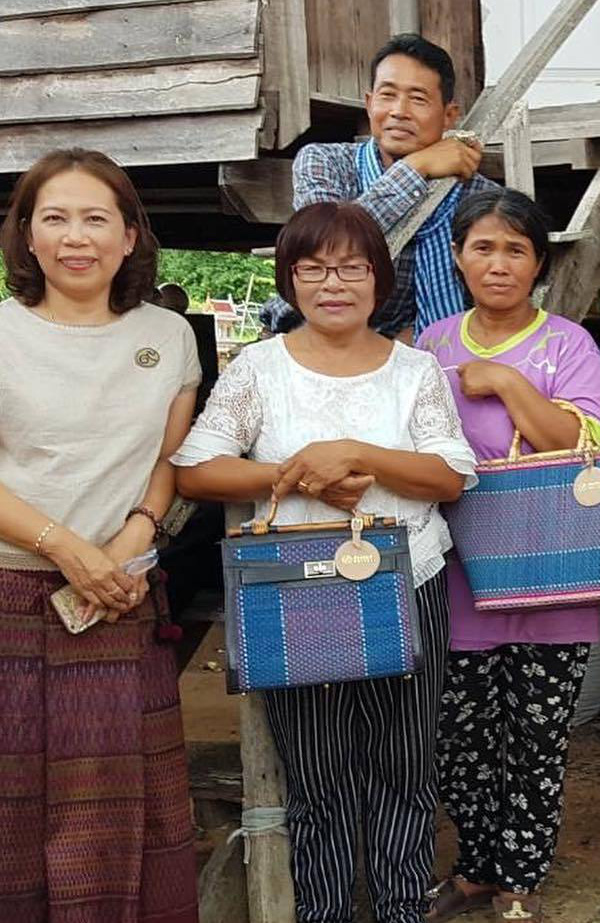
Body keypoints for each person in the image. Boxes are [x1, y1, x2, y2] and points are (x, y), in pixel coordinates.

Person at [173, 201, 478, 923]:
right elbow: (195, 468)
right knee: (317, 775)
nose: (332, 283)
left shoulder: (415, 370)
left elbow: (451, 475)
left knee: (405, 764)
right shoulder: (260, 368)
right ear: (289, 280)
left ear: (378, 279)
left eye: (351, 267)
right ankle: (326, 908)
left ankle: (401, 906)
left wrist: (358, 454)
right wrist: (300, 475)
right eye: (312, 269)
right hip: (295, 590)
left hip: (407, 581)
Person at [0, 149, 200, 922]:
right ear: (26, 235)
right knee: (12, 799)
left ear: (128, 236)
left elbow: (167, 459)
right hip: (12, 589)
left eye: (95, 218)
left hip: (119, 593)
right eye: (54, 218)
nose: (75, 237)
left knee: (122, 803)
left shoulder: (169, 336)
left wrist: (134, 535)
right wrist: (66, 546)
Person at [420, 188, 600, 923]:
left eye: (516, 250)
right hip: (460, 576)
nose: (499, 263)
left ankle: (520, 876)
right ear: (459, 257)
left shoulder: (569, 344)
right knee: (461, 738)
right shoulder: (431, 345)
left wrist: (501, 379)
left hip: (553, 575)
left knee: (537, 739)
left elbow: (578, 442)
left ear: (538, 264)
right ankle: (474, 867)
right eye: (484, 248)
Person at [261, 33, 498, 341]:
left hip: (419, 350)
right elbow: (325, 245)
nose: (399, 111)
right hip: (309, 340)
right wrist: (416, 168)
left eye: (418, 99)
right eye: (387, 95)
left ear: (449, 116)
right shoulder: (324, 162)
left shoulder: (479, 197)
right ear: (369, 103)